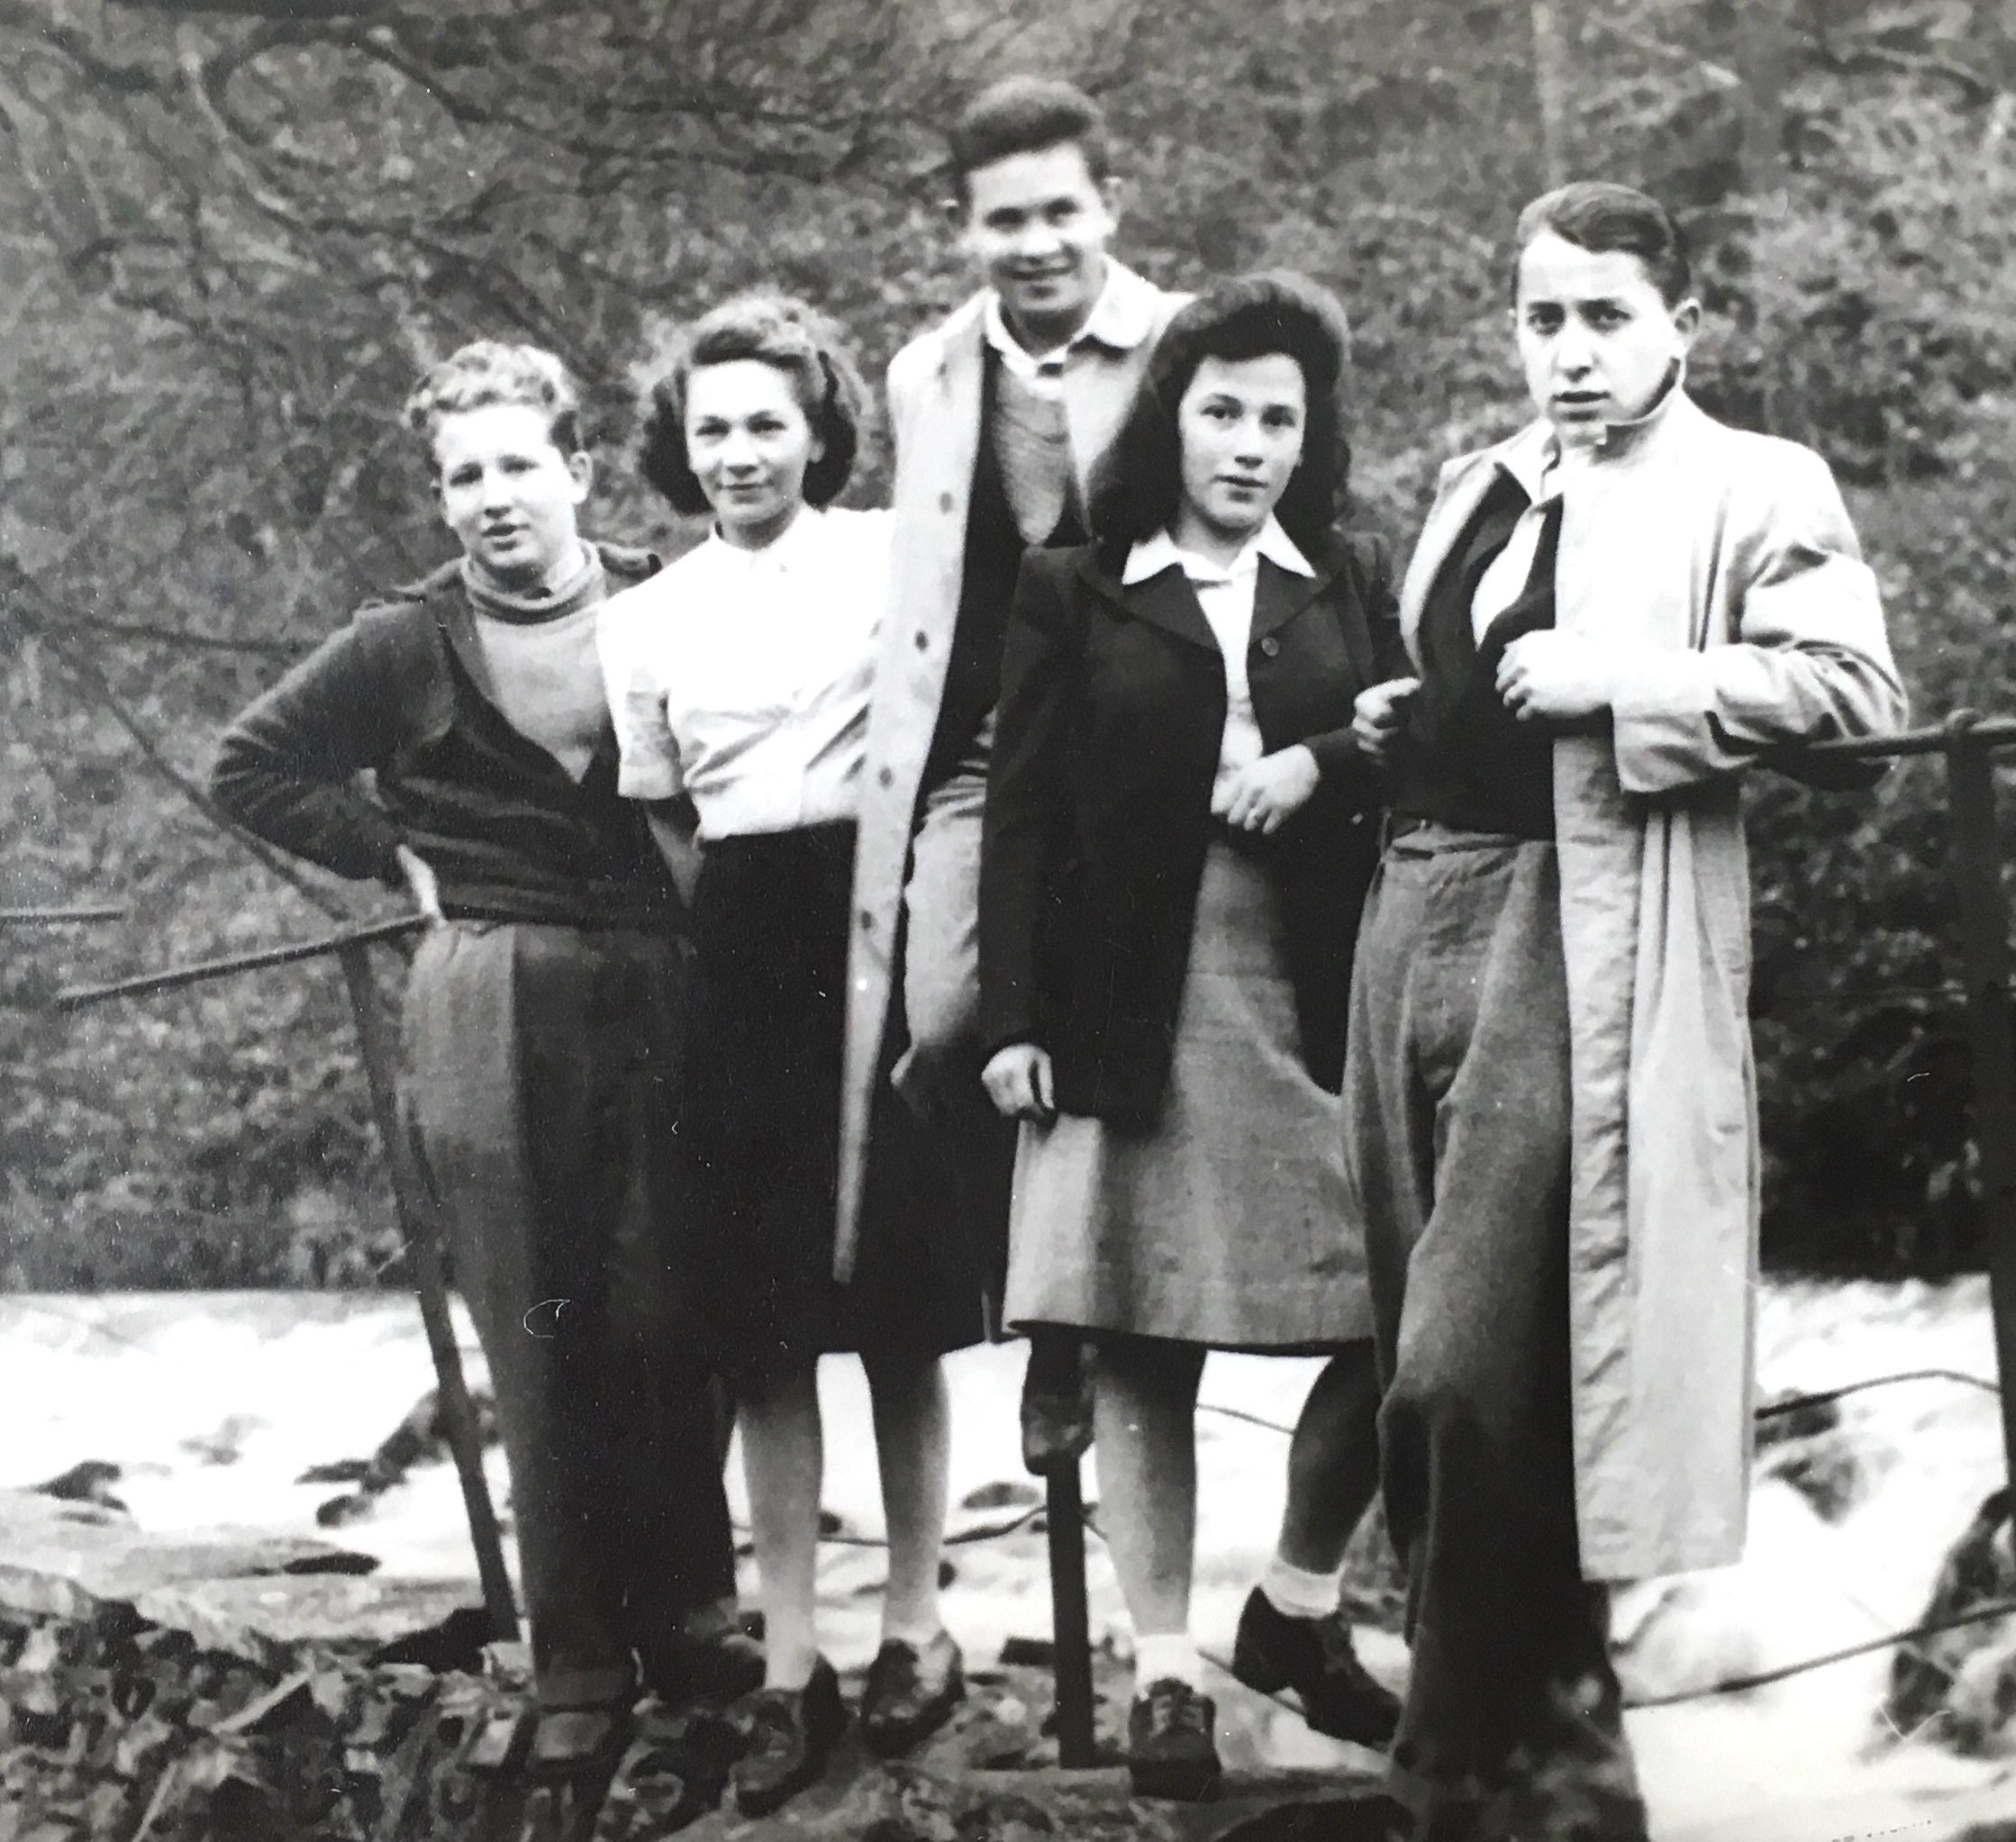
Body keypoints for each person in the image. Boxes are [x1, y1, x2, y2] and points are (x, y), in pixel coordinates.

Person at [1347, 182, 1910, 1841]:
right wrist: (1416, 713)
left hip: (1580, 934)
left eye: (1607, 318)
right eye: (1544, 320)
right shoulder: (1483, 480)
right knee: (1434, 1360)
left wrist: (1632, 681)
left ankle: (1475, 1759)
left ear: (1685, 323)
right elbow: (1473, 673)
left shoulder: (1754, 482)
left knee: (1470, 1367)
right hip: (1415, 919)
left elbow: (1856, 697)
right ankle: (1553, 1760)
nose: (1572, 354)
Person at [208, 341, 766, 1836]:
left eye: (519, 463)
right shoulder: (405, 641)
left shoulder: (680, 588)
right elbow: (249, 763)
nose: (492, 498)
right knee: (542, 1309)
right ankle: (577, 1652)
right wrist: (392, 859)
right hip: (492, 990)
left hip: (666, 972)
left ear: (577, 467)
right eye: (464, 475)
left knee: (676, 1297)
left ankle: (694, 1608)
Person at [977, 274, 1408, 1801]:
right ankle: (1166, 1674)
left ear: (1313, 432)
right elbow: (1017, 811)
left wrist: (1309, 760)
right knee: (1143, 1334)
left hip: (1314, 991)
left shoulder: (1348, 571)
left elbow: (1410, 744)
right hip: (1123, 1001)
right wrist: (1011, 1017)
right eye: (1222, 410)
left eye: (1279, 416)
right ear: (1172, 416)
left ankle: (1295, 1605)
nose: (1249, 443)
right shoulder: (1077, 581)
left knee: (1402, 1313)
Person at [596, 291, 985, 1820]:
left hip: (881, 929)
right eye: (715, 431)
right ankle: (794, 1659)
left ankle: (915, 1624)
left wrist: (893, 935)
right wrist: (743, 939)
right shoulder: (647, 617)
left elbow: (957, 739)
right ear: (679, 454)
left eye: (769, 422)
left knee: (895, 1302)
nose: (743, 451)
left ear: (820, 428)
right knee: (761, 1322)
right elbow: (665, 805)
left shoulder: (894, 556)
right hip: (742, 951)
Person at [842, 77, 1188, 1366]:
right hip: (990, 746)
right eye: (1005, 221)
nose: (1036, 244)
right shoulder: (925, 372)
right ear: (962, 227)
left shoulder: (1184, 346)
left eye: (1061, 212)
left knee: (1118, 1029)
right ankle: (1016, 1273)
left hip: (1156, 751)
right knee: (943, 1019)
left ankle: (1076, 1328)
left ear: (1112, 207)